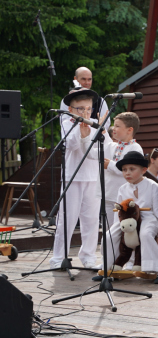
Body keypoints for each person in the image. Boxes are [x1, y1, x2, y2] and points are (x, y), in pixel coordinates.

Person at [50, 88, 102, 269]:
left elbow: (103, 148)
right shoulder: (67, 122)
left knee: (91, 218)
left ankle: (88, 255)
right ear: (71, 109)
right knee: (67, 217)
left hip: (93, 177)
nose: (85, 113)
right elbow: (71, 144)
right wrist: (81, 133)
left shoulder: (96, 123)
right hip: (73, 175)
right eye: (80, 109)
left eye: (88, 109)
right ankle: (58, 257)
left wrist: (89, 134)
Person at [103, 151, 158, 283]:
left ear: (144, 170)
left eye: (132, 169)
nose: (127, 173)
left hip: (148, 217)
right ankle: (109, 268)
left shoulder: (152, 186)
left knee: (145, 234)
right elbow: (119, 212)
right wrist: (118, 227)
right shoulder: (122, 188)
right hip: (128, 220)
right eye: (124, 170)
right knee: (108, 236)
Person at [102, 112, 143, 226]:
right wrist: (85, 136)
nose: (113, 129)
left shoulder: (135, 148)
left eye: (117, 126)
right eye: (114, 125)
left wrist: (110, 164)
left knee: (120, 228)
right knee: (108, 231)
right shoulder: (115, 146)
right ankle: (109, 245)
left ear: (129, 130)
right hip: (108, 195)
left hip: (124, 197)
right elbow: (97, 150)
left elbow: (129, 169)